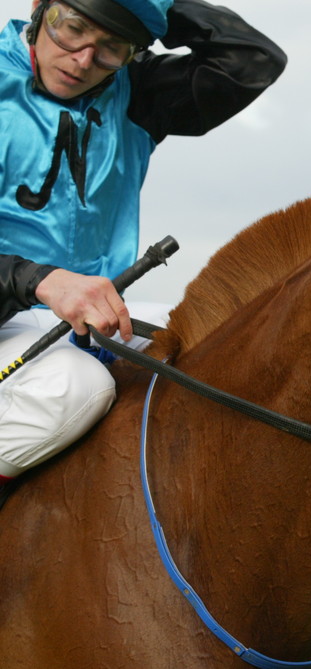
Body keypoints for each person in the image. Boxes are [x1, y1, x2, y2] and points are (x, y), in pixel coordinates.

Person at [0, 0, 286, 488]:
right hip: (10, 311)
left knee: (234, 335)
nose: (83, 60)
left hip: (90, 312)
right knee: (75, 387)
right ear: (38, 9)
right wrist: (41, 280)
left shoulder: (134, 88)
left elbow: (252, 60)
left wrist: (151, 7)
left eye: (111, 47)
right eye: (71, 28)